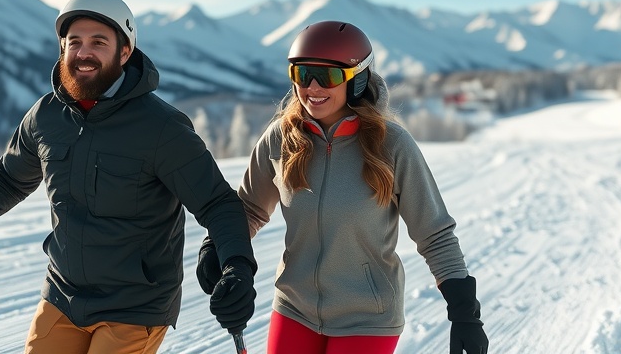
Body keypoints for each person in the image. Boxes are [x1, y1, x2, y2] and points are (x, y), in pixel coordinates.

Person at [0, 0, 257, 354]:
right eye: (74, 42)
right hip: (64, 293)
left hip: (135, 304)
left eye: (98, 42)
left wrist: (236, 266)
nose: (83, 52)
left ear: (125, 52)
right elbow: (8, 179)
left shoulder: (161, 128)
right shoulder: (46, 116)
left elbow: (217, 203)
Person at [197, 21, 489, 354]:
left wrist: (465, 312)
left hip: (367, 318)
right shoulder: (280, 139)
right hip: (294, 308)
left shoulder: (392, 146)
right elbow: (248, 209)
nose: (313, 87)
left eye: (329, 76)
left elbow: (434, 234)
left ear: (357, 79)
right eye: (303, 73)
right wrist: (217, 246)